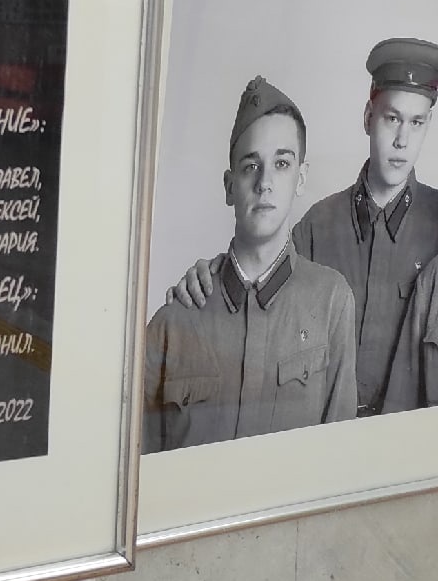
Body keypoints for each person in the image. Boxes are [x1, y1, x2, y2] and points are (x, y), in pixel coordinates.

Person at [169, 38, 438, 415]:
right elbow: (262, 283)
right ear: (368, 118)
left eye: (416, 122)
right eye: (391, 118)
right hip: (321, 430)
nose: (402, 140)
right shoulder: (317, 225)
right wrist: (209, 275)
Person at [142, 76, 356, 452]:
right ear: (229, 186)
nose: (265, 183)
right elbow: (139, 464)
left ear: (301, 178)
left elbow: (340, 457)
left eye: (282, 164)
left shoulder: (331, 303)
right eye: (250, 166)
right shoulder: (174, 321)